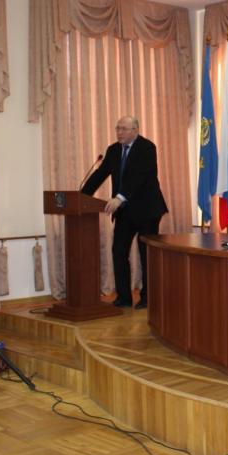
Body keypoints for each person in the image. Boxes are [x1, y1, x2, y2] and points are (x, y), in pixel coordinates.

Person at [81, 116, 167, 310]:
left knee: (146, 255)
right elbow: (100, 174)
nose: (119, 132)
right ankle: (124, 298)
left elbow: (139, 177)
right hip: (125, 212)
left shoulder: (147, 148)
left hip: (147, 211)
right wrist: (81, 196)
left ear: (135, 130)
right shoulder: (113, 150)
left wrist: (120, 198)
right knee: (118, 252)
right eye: (117, 128)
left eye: (124, 129)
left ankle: (148, 298)